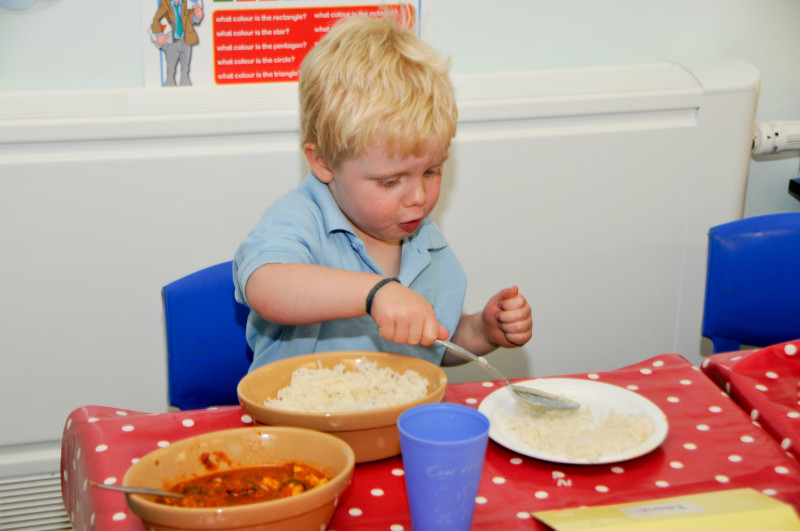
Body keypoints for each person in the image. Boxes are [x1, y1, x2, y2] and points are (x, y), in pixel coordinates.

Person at [233, 14, 532, 371]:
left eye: (432, 171)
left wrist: (482, 331)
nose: (418, 197)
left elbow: (433, 343)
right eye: (391, 181)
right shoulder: (300, 217)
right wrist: (375, 293)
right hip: (301, 423)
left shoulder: (421, 235)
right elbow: (267, 287)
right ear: (324, 162)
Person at [150, 0, 204, 87]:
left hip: (186, 40)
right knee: (171, 68)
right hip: (172, 42)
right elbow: (156, 19)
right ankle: (169, 83)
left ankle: (185, 82)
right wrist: (159, 34)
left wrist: (197, 17)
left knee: (185, 66)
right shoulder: (165, 5)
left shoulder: (186, 4)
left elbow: (190, 18)